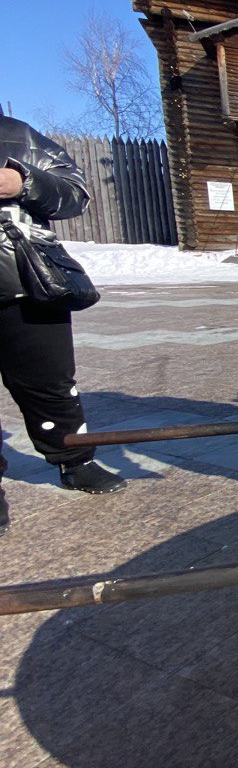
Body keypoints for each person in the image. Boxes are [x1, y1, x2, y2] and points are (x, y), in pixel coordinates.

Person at [0, 116, 127, 532]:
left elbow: (77, 195)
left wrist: (23, 183)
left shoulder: (17, 135)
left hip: (27, 280)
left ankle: (75, 461)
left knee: (51, 382)